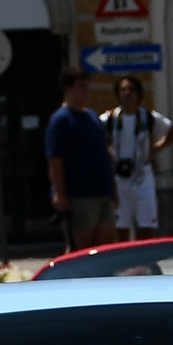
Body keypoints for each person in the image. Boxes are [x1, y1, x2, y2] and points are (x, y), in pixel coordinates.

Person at [44, 70, 116, 249]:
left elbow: (104, 152)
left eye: (87, 86)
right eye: (80, 87)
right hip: (80, 194)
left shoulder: (92, 116)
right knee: (84, 247)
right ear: (68, 89)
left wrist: (113, 188)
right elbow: (55, 159)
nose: (86, 91)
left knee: (106, 245)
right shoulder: (61, 120)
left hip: (103, 191)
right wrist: (60, 193)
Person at [102, 75, 173, 241]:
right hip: (120, 179)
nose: (127, 94)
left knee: (146, 226)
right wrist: (108, 152)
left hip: (143, 177)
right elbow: (94, 137)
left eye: (131, 90)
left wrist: (155, 149)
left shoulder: (148, 117)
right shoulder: (110, 118)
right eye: (123, 90)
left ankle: (145, 264)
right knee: (121, 228)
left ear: (138, 93)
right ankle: (125, 264)